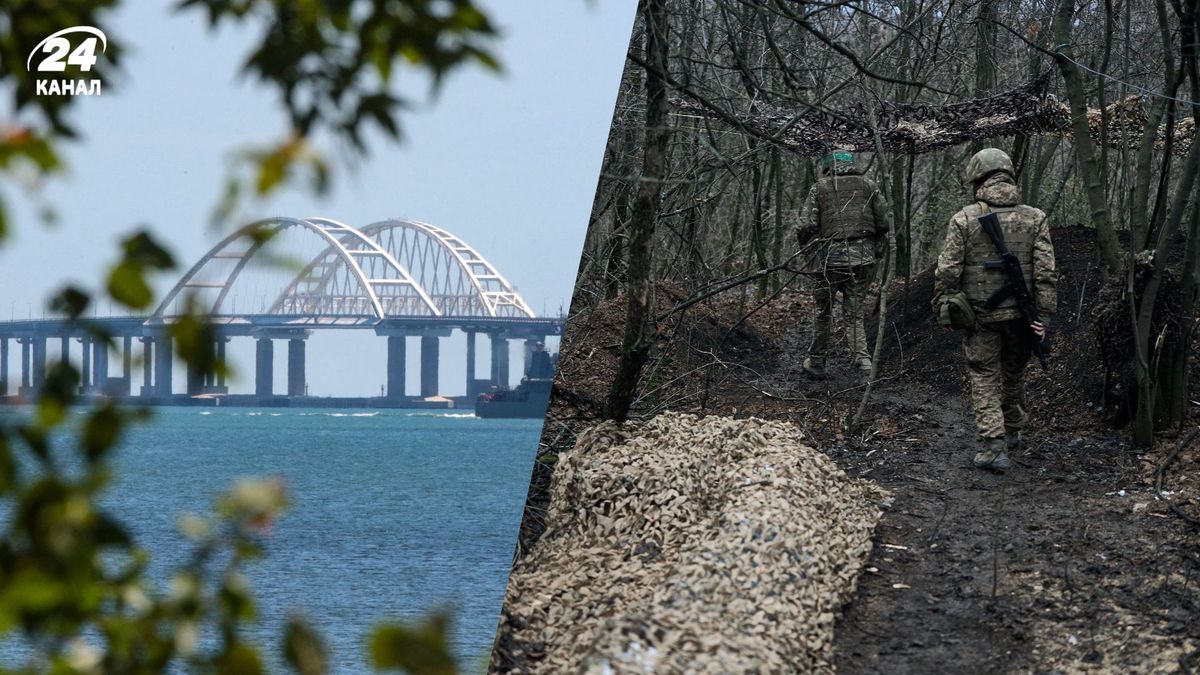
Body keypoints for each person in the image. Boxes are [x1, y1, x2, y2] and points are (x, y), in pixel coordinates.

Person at [933, 148, 1057, 471]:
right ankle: (1012, 430)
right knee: (1014, 373)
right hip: (1022, 317)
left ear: (978, 178)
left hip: (981, 318)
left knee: (984, 375)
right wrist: (1043, 317)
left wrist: (943, 307)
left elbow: (947, 271)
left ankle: (994, 445)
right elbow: (1045, 273)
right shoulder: (1036, 218)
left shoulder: (963, 219)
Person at [798, 150, 891, 378]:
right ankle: (863, 362)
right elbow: (883, 223)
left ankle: (817, 362)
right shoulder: (868, 185)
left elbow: (805, 226)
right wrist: (875, 249)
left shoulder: (820, 187)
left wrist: (807, 252)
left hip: (826, 262)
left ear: (828, 167)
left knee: (823, 312)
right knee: (855, 314)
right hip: (862, 260)